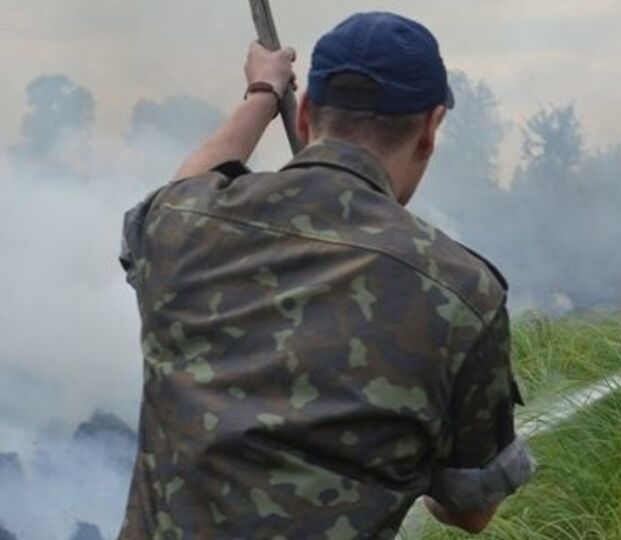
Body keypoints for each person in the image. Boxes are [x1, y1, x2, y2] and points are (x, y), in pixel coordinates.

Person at [118, 12, 534, 539]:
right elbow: (471, 509)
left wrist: (262, 91)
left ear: (307, 112)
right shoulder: (462, 292)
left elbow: (182, 194)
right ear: (430, 130)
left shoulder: (182, 227)